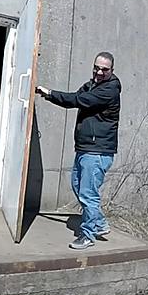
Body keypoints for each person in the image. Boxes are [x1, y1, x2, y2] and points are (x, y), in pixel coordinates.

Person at [36, 51, 121, 250]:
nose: (99, 72)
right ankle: (99, 224)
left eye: (104, 69)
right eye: (96, 68)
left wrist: (49, 92)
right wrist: (48, 96)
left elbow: (77, 100)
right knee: (77, 186)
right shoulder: (91, 85)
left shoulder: (109, 90)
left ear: (112, 70)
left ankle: (88, 235)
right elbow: (73, 99)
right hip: (85, 148)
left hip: (97, 151)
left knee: (88, 194)